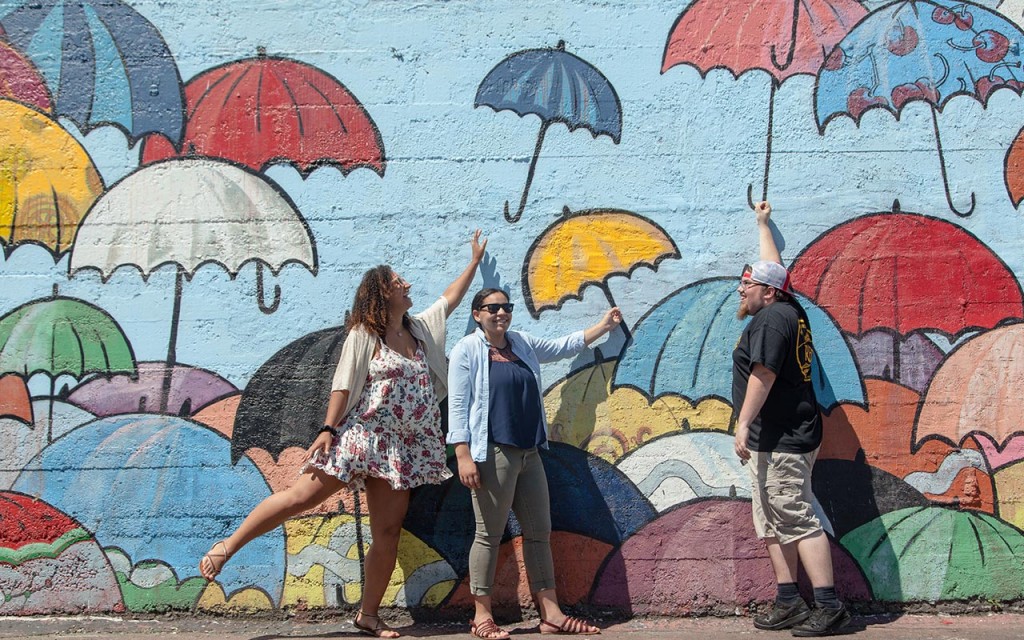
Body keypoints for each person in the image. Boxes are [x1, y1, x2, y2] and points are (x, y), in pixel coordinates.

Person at [199, 230, 488, 639]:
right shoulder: (364, 335)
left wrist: (474, 264)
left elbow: (450, 299)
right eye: (397, 281)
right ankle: (227, 547)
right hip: (361, 439)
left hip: (402, 450)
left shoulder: (420, 330)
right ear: (382, 293)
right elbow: (342, 384)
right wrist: (327, 430)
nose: (406, 285)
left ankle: (368, 616)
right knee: (300, 497)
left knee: (387, 532)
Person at [447, 287, 621, 639]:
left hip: (529, 452)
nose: (501, 313)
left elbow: (560, 347)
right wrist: (463, 455)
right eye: (492, 308)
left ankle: (551, 614)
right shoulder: (467, 350)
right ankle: (482, 616)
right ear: (477, 313)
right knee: (489, 535)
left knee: (539, 533)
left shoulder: (521, 343)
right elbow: (458, 406)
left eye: (506, 307)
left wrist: (602, 327)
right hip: (492, 453)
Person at [732, 201, 850, 637]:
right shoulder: (786, 308)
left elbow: (762, 376)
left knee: (796, 517)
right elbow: (773, 268)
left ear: (768, 293)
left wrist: (742, 423)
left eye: (747, 285)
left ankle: (829, 605)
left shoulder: (772, 321)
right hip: (774, 438)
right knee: (770, 518)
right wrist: (763, 225)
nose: (741, 290)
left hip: (783, 438)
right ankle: (789, 600)